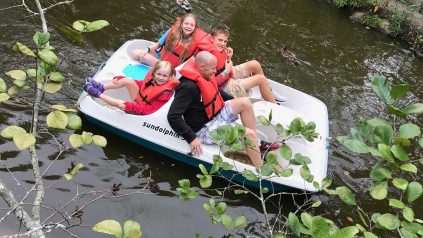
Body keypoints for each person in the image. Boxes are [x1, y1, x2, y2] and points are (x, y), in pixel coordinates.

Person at [167, 51, 280, 168]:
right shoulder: (187, 88)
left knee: (245, 102)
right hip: (204, 128)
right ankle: (259, 170)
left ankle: (255, 145)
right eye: (213, 68)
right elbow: (173, 116)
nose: (215, 71)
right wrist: (192, 138)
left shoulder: (204, 76)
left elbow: (215, 92)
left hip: (215, 115)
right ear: (201, 67)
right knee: (249, 134)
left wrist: (233, 101)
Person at [209, 23, 287, 103]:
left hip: (228, 74)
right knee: (261, 79)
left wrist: (228, 58)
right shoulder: (208, 57)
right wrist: (226, 71)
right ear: (211, 38)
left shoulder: (218, 50)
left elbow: (224, 66)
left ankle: (269, 91)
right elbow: (212, 83)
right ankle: (274, 106)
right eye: (220, 40)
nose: (223, 44)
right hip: (225, 87)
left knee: (255, 64)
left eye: (225, 41)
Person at [84, 61, 178, 115]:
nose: (161, 78)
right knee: (129, 80)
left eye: (164, 76)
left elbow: (149, 110)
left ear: (170, 77)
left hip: (141, 112)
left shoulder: (166, 93)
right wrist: (121, 78)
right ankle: (101, 87)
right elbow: (141, 84)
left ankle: (97, 94)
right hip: (139, 102)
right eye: (158, 74)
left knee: (122, 104)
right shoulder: (154, 80)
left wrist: (130, 106)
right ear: (154, 73)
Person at [131, 13, 212, 67]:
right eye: (186, 24)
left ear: (195, 28)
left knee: (145, 58)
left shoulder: (197, 42)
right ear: (181, 24)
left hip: (171, 67)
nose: (188, 26)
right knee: (134, 53)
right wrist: (147, 49)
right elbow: (158, 44)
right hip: (160, 57)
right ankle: (153, 64)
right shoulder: (171, 31)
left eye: (191, 25)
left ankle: (153, 65)